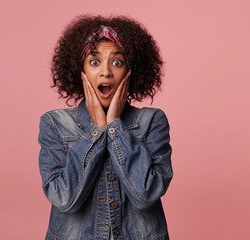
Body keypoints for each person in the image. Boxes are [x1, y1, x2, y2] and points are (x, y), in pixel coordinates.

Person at [38, 15, 173, 240]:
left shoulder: (153, 122)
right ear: (79, 71)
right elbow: (64, 199)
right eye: (94, 62)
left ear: (130, 72)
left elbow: (145, 194)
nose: (106, 72)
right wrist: (96, 131)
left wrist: (114, 128)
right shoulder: (55, 124)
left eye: (117, 62)